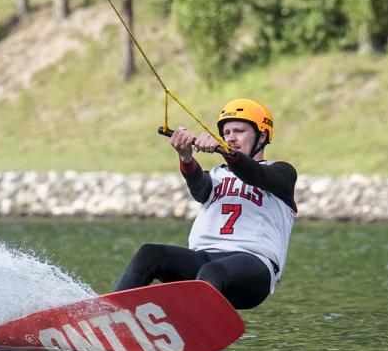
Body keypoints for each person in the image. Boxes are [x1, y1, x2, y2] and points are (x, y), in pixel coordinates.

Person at [114, 99, 297, 309]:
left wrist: (227, 152)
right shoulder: (217, 175)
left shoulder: (282, 172)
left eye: (239, 131)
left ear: (262, 136)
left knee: (211, 272)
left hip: (254, 269)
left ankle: (192, 324)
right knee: (151, 254)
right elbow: (200, 189)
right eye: (226, 133)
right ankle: (110, 314)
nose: (231, 138)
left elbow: (258, 176)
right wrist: (186, 157)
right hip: (204, 261)